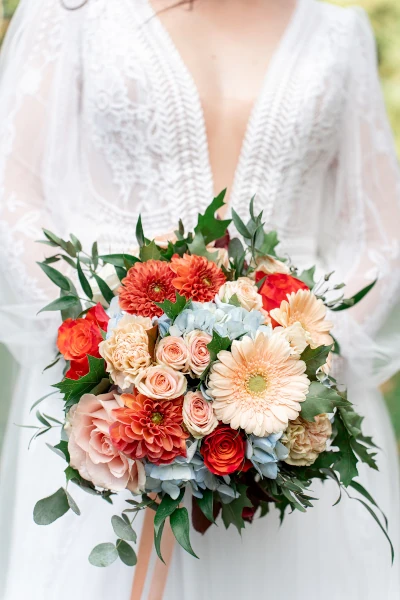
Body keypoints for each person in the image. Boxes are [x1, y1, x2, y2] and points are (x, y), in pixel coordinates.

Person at [0, 0, 399, 598]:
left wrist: (302, 354)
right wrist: (116, 345)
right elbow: (13, 199)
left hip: (288, 421)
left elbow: (381, 236)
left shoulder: (338, 32)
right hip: (108, 422)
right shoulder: (69, 12)